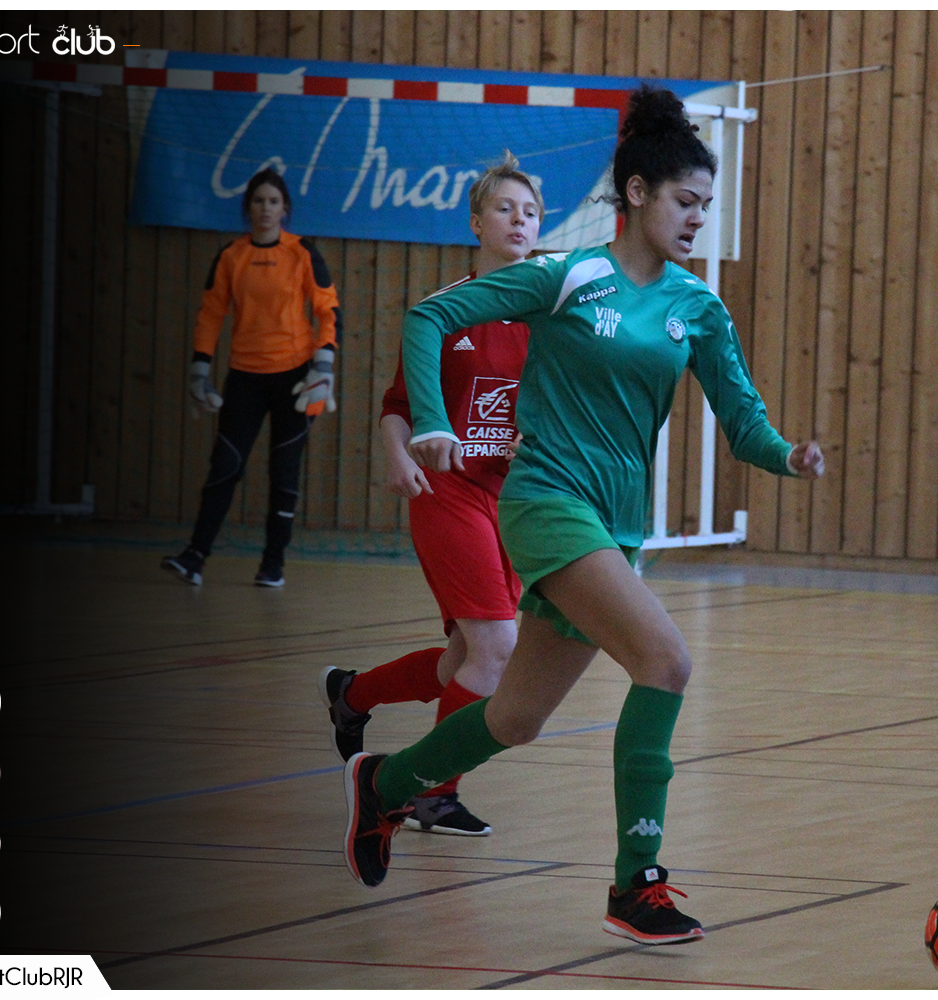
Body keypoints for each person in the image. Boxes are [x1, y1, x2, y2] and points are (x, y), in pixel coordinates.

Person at [340, 85, 824, 946]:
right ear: (637, 192)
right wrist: (432, 422)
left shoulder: (696, 307)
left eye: (706, 205)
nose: (697, 218)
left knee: (514, 719)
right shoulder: (567, 276)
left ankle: (384, 785)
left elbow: (743, 421)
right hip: (547, 502)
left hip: (615, 526)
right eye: (685, 200)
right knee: (666, 662)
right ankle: (637, 885)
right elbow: (428, 317)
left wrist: (787, 455)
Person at [319, 152, 541, 838]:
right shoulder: (443, 312)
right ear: (476, 221)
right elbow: (398, 406)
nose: (519, 220)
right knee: (497, 648)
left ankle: (352, 693)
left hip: (513, 502)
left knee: (463, 662)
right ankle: (430, 793)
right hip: (447, 492)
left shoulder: (549, 315)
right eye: (504, 208)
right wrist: (397, 455)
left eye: (531, 211)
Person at [161, 168, 341, 589]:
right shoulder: (231, 256)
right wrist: (200, 369)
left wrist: (323, 367)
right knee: (225, 466)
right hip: (244, 377)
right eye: (258, 201)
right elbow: (210, 313)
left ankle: (272, 566)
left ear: (285, 209)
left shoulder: (302, 252)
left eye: (273, 201)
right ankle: (194, 557)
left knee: (284, 472)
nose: (265, 208)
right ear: (247, 208)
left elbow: (328, 309)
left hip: (296, 380)